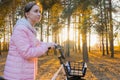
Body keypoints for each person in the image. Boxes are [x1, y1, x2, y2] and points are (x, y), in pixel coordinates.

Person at [3, 1, 55, 80]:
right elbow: (27, 52)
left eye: (40, 12)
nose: (39, 14)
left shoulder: (29, 30)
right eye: (35, 11)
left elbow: (38, 43)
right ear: (27, 14)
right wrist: (46, 47)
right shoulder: (20, 29)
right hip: (17, 76)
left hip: (23, 74)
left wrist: (50, 44)